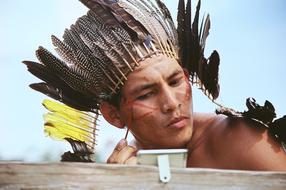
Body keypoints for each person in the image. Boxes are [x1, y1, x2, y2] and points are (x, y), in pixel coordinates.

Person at [23, 0, 286, 170]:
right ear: (113, 115)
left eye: (175, 81)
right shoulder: (126, 168)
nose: (172, 104)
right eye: (147, 93)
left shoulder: (241, 140)